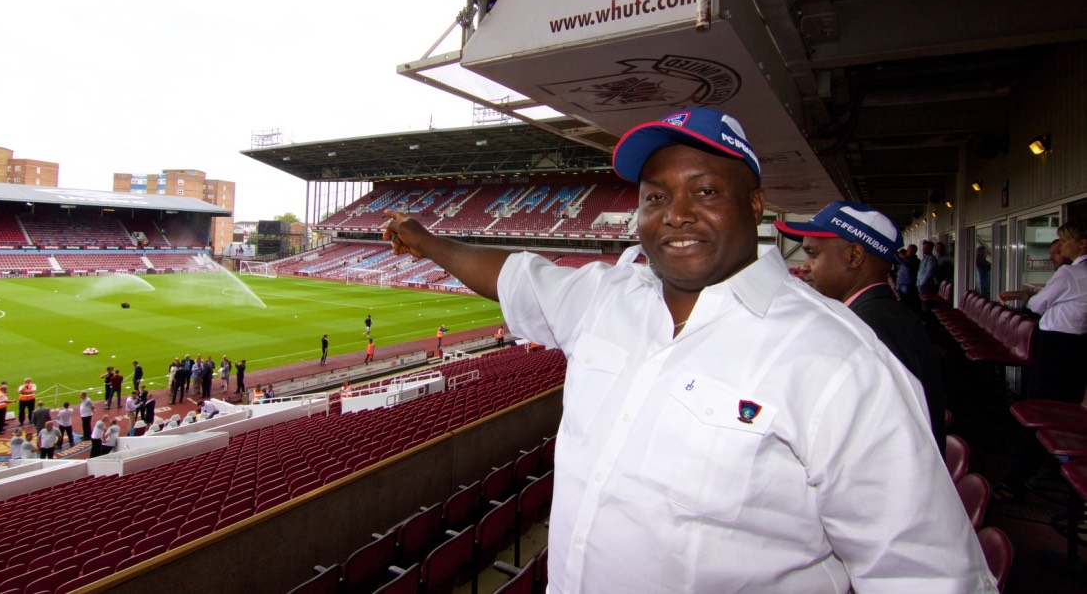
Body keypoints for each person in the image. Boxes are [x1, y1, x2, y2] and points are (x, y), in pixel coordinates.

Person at [382, 106, 992, 591]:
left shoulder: (840, 361)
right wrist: (425, 240)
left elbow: (930, 575)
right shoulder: (605, 298)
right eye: (654, 196)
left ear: (755, 205)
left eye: (704, 192)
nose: (674, 215)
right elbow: (512, 274)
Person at [776, 201, 947, 455]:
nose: (804, 266)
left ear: (854, 256)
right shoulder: (882, 313)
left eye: (813, 254)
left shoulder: (867, 329)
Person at [996, 219, 1087, 499]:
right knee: (1065, 410)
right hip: (1078, 348)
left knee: (1039, 412)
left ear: (1082, 244)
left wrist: (1038, 297)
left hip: (1055, 349)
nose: (1060, 245)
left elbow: (1037, 305)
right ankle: (1067, 469)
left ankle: (1015, 481)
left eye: (1065, 240)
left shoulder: (1068, 273)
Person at [895, 244, 921, 313]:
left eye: (909, 250)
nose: (907, 251)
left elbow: (906, 264)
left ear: (914, 251)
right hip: (900, 283)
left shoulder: (916, 260)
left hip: (907, 284)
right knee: (900, 301)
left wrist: (896, 255)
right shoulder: (906, 259)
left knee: (907, 302)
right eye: (907, 249)